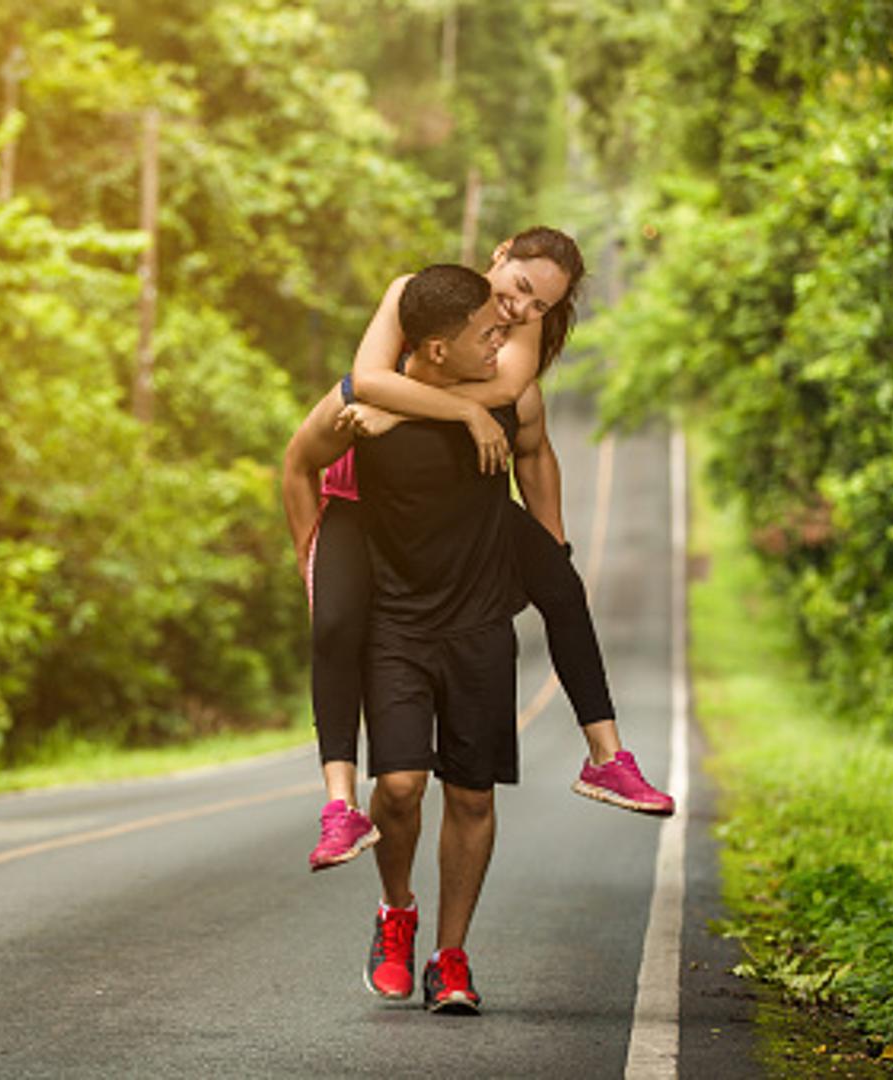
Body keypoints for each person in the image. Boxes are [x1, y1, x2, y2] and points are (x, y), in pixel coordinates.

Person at [281, 226, 672, 874]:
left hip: (457, 508)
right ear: (499, 255)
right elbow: (367, 381)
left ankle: (607, 759)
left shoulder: (516, 328)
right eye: (519, 288)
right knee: (338, 623)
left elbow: (503, 401)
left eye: (541, 307)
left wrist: (548, 542)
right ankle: (340, 806)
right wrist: (309, 548)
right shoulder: (415, 296)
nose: (521, 312)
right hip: (358, 501)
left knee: (563, 586)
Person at [351, 264, 537, 1011]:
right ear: (432, 349)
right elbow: (306, 455)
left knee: (472, 793)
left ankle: (450, 957)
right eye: (486, 336)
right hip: (395, 621)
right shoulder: (368, 417)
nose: (504, 343)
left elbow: (531, 431)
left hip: (479, 623)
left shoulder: (505, 403)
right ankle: (397, 909)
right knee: (398, 787)